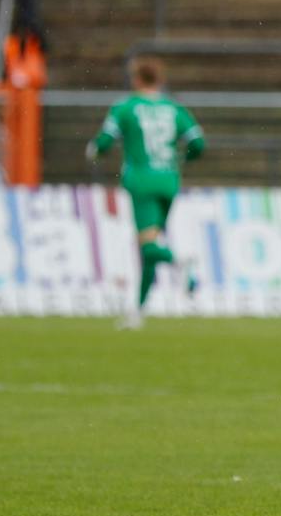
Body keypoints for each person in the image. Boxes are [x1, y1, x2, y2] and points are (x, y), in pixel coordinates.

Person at [87, 57, 205, 328]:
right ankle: (138, 311)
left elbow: (105, 141)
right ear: (160, 80)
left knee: (149, 245)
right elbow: (198, 143)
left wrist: (94, 151)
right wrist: (181, 159)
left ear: (137, 79)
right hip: (169, 181)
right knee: (149, 245)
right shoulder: (174, 109)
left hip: (141, 181)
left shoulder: (126, 107)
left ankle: (180, 263)